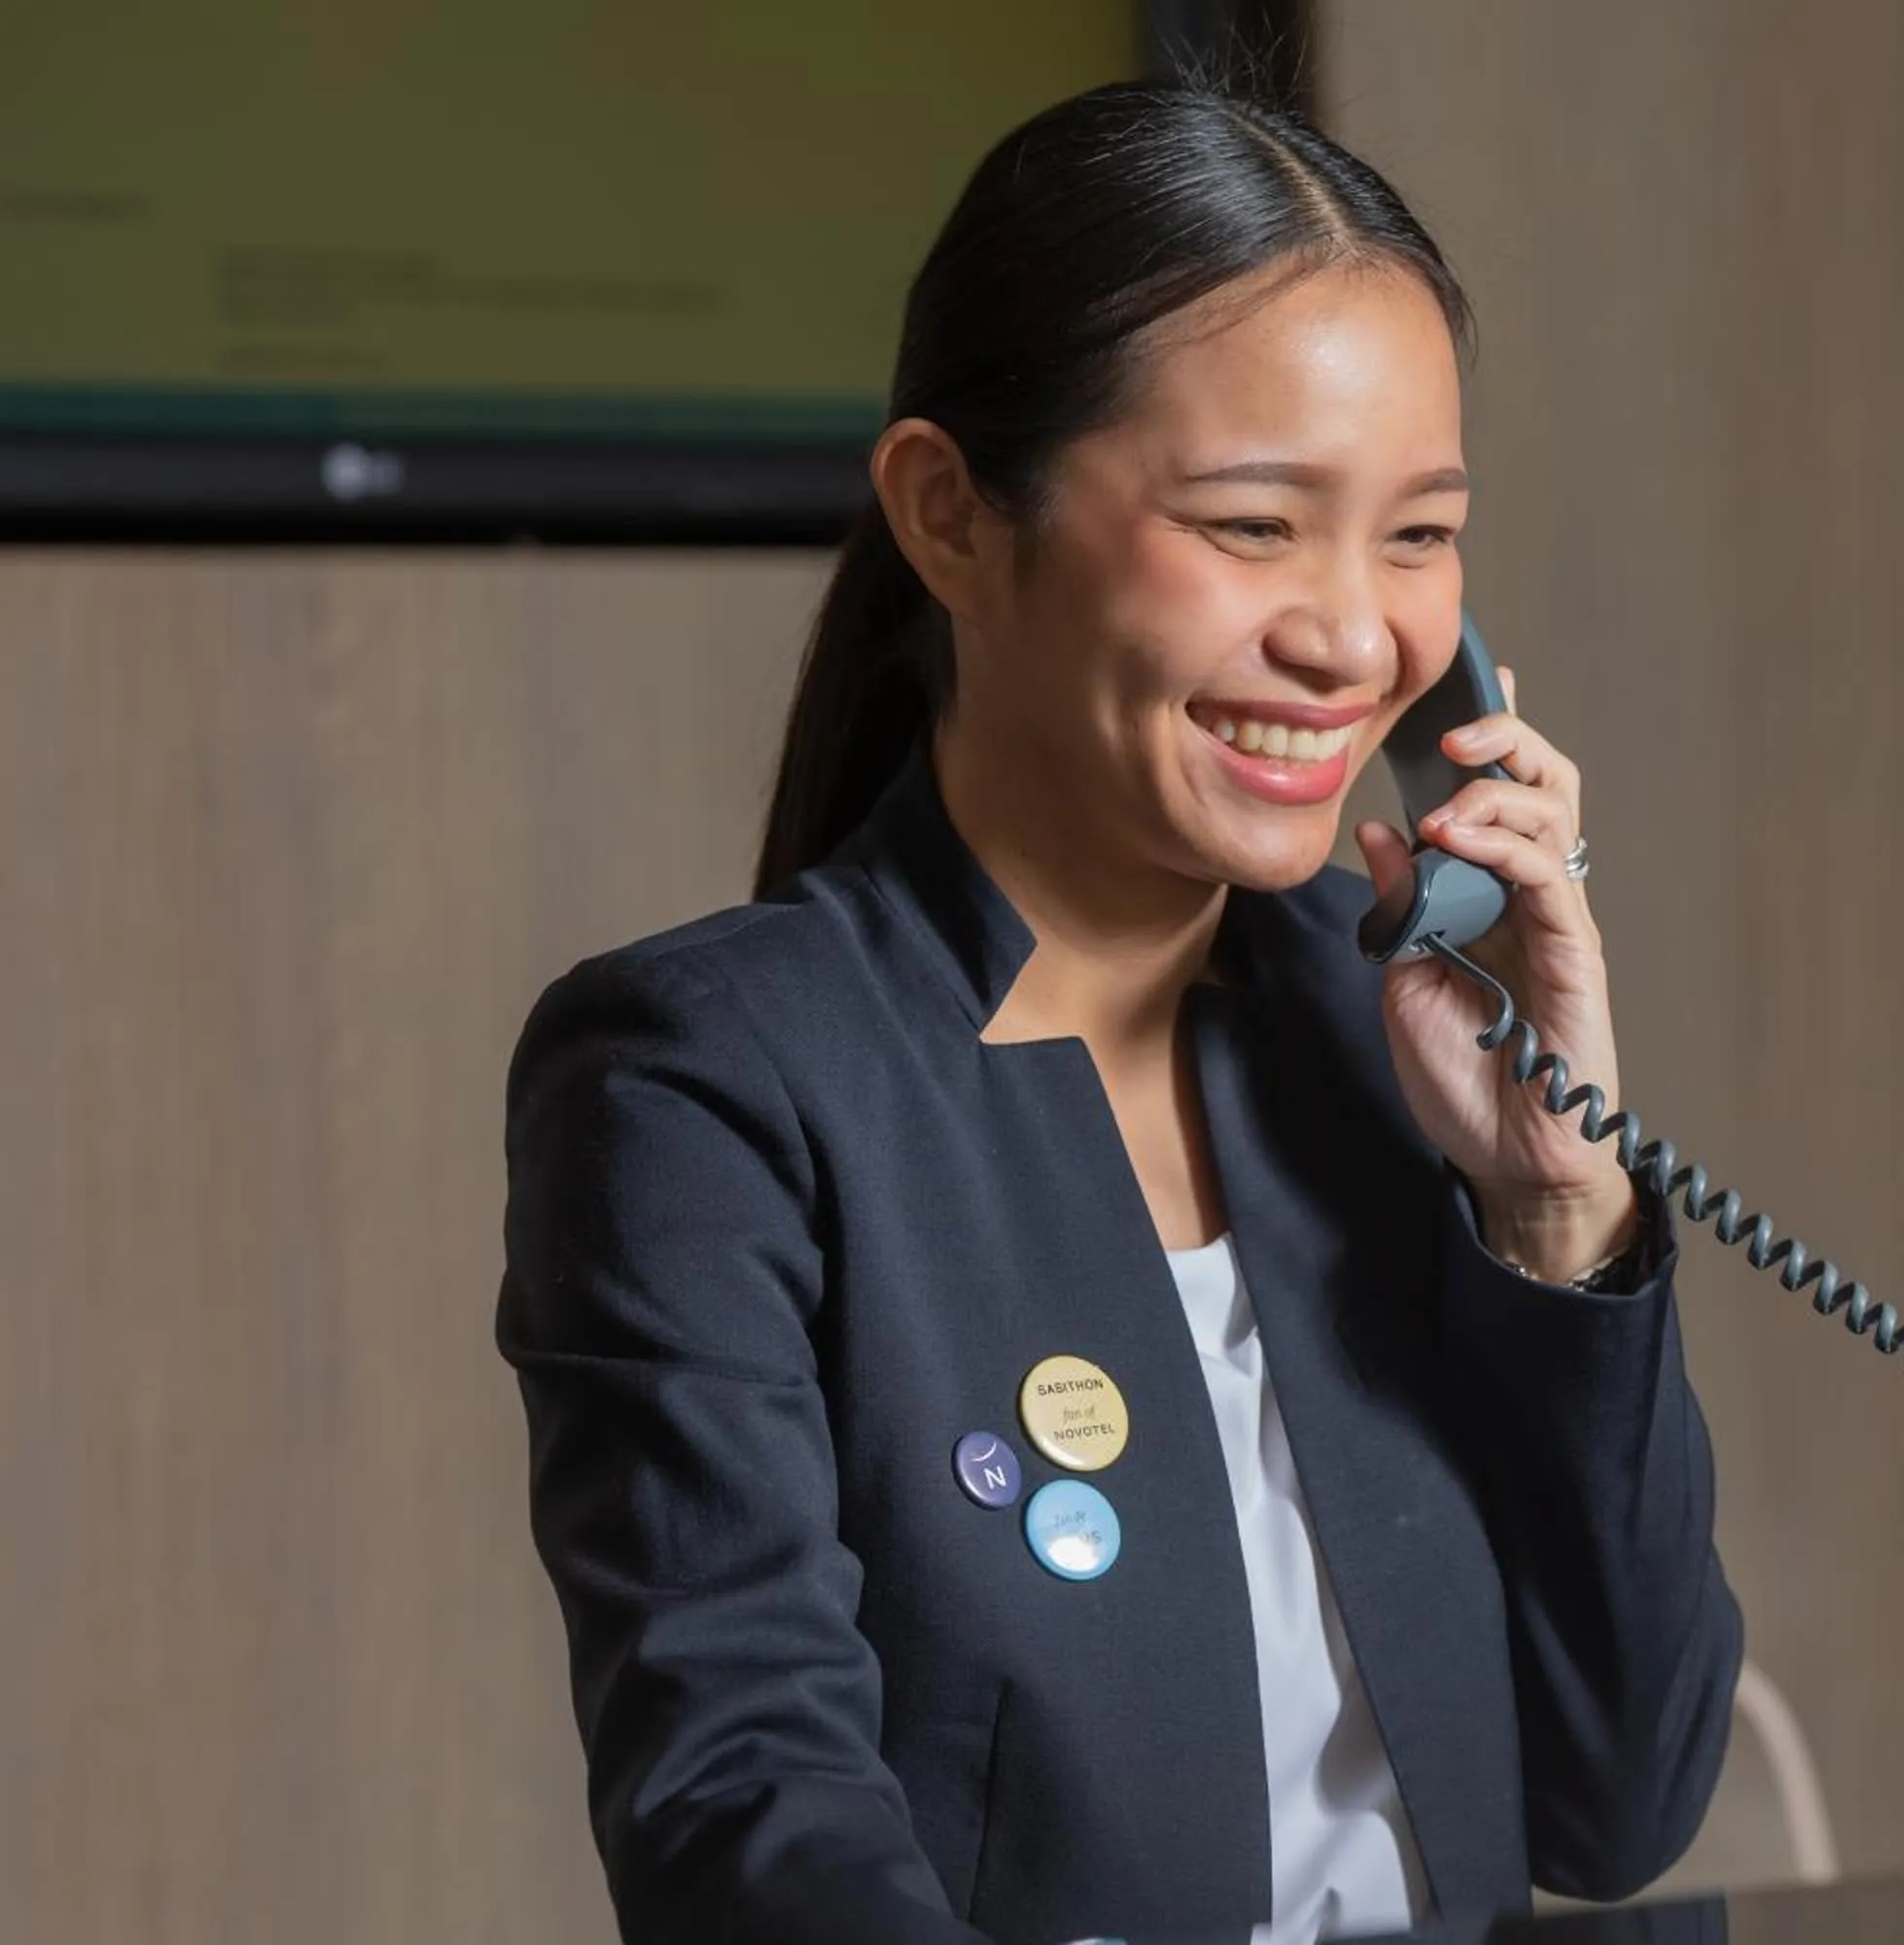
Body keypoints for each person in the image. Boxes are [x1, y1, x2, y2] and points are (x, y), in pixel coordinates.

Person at [496, 77, 1742, 1945]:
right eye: (1255, 527)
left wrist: (1559, 1212)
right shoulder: (708, 1084)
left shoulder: (1393, 1031)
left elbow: (1618, 1799)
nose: (1353, 636)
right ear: (953, 519)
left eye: (1417, 538)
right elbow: (747, 1814)